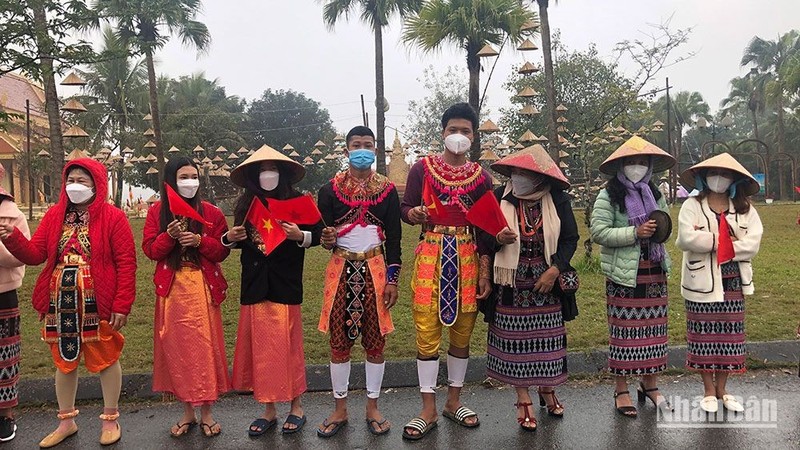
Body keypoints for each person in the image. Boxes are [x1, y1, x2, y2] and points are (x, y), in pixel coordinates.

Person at [0, 158, 136, 447]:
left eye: (82, 181)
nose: (75, 186)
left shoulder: (113, 217)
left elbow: (126, 262)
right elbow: (36, 253)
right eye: (71, 180)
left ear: (96, 184)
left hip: (97, 298)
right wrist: (13, 239)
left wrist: (122, 304)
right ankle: (66, 421)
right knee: (64, 360)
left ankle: (110, 419)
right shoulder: (54, 216)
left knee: (106, 357)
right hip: (59, 299)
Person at [400, 103, 493, 440]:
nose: (459, 136)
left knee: (463, 331)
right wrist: (415, 214)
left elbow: (486, 228)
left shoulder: (482, 177)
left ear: (473, 135)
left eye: (466, 131)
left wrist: (485, 272)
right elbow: (405, 207)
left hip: (468, 254)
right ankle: (427, 407)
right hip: (431, 252)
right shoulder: (421, 169)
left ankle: (454, 401)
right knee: (426, 329)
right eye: (453, 129)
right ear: (443, 132)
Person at [225, 145, 322, 436]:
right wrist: (230, 237)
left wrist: (300, 235)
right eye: (263, 169)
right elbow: (236, 239)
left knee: (288, 346)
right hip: (255, 284)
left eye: (274, 169)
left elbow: (319, 234)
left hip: (285, 283)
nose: (268, 174)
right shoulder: (245, 204)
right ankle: (268, 409)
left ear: (283, 173)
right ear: (255, 174)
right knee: (262, 350)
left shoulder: (299, 202)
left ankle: (296, 406)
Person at [483, 145, 579, 431]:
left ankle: (547, 388)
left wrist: (555, 269)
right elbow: (483, 240)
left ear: (539, 177)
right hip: (510, 283)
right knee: (516, 344)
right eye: (516, 171)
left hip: (545, 283)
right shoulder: (499, 197)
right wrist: (498, 238)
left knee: (547, 342)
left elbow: (570, 238)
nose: (519, 176)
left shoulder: (556, 199)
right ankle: (522, 395)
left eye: (526, 172)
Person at [316, 126, 402, 437]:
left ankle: (372, 406)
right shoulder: (329, 190)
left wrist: (392, 280)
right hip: (340, 270)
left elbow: (394, 238)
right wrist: (325, 237)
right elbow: (322, 236)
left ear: (375, 150)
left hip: (376, 271)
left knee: (376, 341)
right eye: (356, 144)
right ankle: (339, 409)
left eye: (367, 144)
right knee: (338, 341)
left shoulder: (388, 190)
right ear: (346, 150)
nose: (362, 149)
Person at [142, 157, 231, 437]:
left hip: (202, 289)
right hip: (172, 290)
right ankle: (188, 412)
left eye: (194, 176)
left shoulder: (212, 213)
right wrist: (168, 236)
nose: (190, 182)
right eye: (183, 177)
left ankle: (207, 412)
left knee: (204, 351)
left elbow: (223, 250)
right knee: (178, 352)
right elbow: (151, 251)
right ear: (171, 180)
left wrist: (201, 241)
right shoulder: (158, 212)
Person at [590, 136, 675, 418]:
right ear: (620, 166)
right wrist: (634, 233)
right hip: (623, 276)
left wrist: (657, 231)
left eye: (641, 162)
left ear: (650, 166)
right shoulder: (609, 196)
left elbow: (664, 225)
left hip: (654, 271)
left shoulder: (655, 193)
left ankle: (650, 385)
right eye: (631, 162)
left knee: (653, 332)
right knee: (624, 333)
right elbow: (599, 232)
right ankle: (621, 388)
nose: (636, 167)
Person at [675, 152, 763, 413]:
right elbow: (686, 238)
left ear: (734, 179)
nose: (719, 178)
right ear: (703, 177)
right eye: (714, 173)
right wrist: (722, 242)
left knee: (728, 336)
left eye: (725, 174)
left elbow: (753, 244)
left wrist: (716, 243)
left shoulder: (745, 209)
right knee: (703, 335)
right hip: (701, 279)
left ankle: (723, 389)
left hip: (733, 281)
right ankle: (708, 390)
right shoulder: (692, 205)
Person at [0, 165, 29, 442]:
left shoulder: (11, 214)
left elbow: (20, 255)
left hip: (3, 293)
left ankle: (6, 416)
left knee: (5, 357)